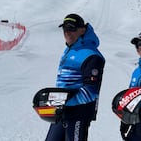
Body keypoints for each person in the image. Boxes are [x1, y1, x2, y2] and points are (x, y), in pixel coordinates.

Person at [45, 13, 105, 141]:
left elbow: (90, 91)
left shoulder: (91, 55)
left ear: (82, 30)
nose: (67, 32)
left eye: (72, 29)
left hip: (79, 113)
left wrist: (63, 101)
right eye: (65, 29)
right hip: (62, 111)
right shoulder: (70, 50)